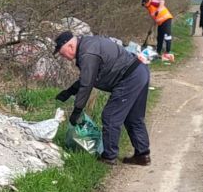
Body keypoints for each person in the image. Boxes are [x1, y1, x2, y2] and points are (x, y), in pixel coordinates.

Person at [54, 30, 151, 167]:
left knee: (111, 116)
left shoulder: (87, 53)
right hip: (140, 72)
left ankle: (109, 157)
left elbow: (87, 84)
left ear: (70, 46)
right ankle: (142, 155)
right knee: (133, 117)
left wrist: (77, 110)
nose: (63, 57)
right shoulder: (88, 45)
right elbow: (89, 77)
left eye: (62, 53)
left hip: (129, 78)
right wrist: (69, 92)